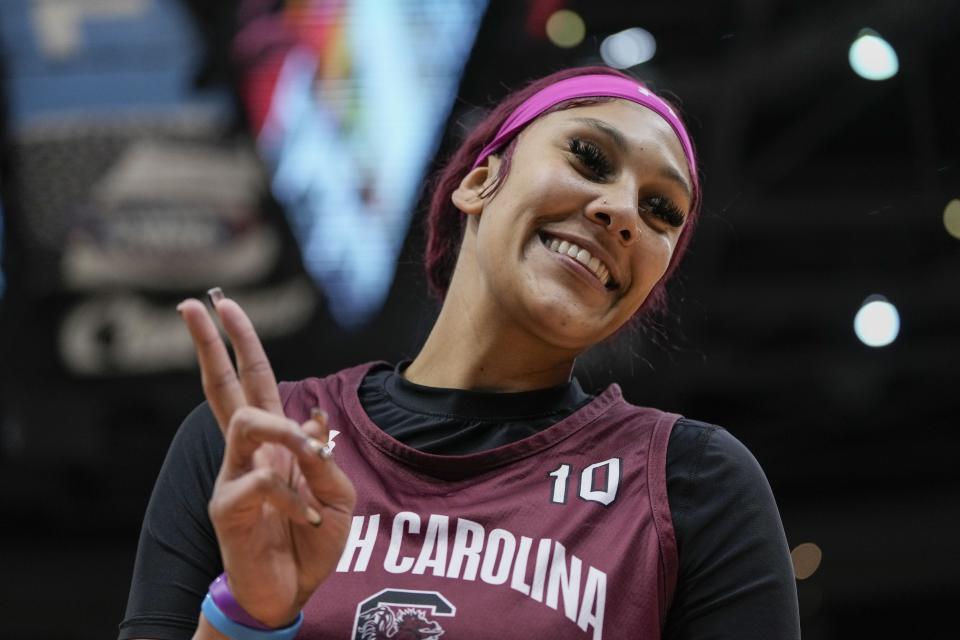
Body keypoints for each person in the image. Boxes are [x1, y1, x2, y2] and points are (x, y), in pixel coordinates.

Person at [120, 66, 801, 640]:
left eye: (661, 213)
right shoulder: (254, 445)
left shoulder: (694, 485)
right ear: (479, 181)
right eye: (589, 158)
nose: (622, 210)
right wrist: (250, 618)